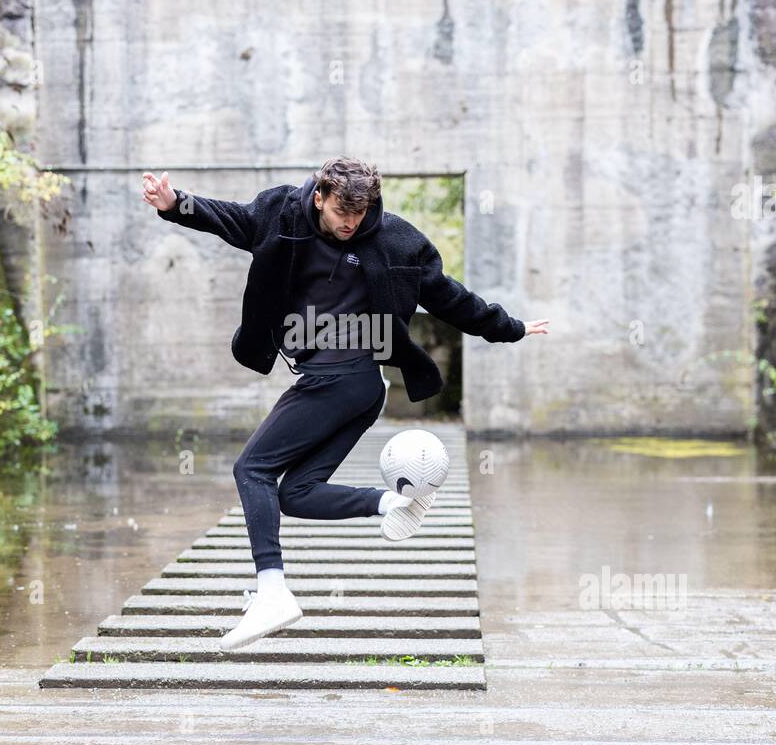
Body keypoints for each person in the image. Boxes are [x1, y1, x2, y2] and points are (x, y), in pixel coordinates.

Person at [141, 157, 547, 650]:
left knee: (252, 471)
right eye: (340, 212)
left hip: (348, 377)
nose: (350, 223)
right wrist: (176, 204)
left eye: (360, 212)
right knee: (296, 493)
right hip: (349, 385)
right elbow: (234, 219)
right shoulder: (282, 213)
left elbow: (448, 297)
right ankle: (394, 502)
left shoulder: (395, 240)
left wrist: (511, 327)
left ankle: (272, 592)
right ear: (320, 197)